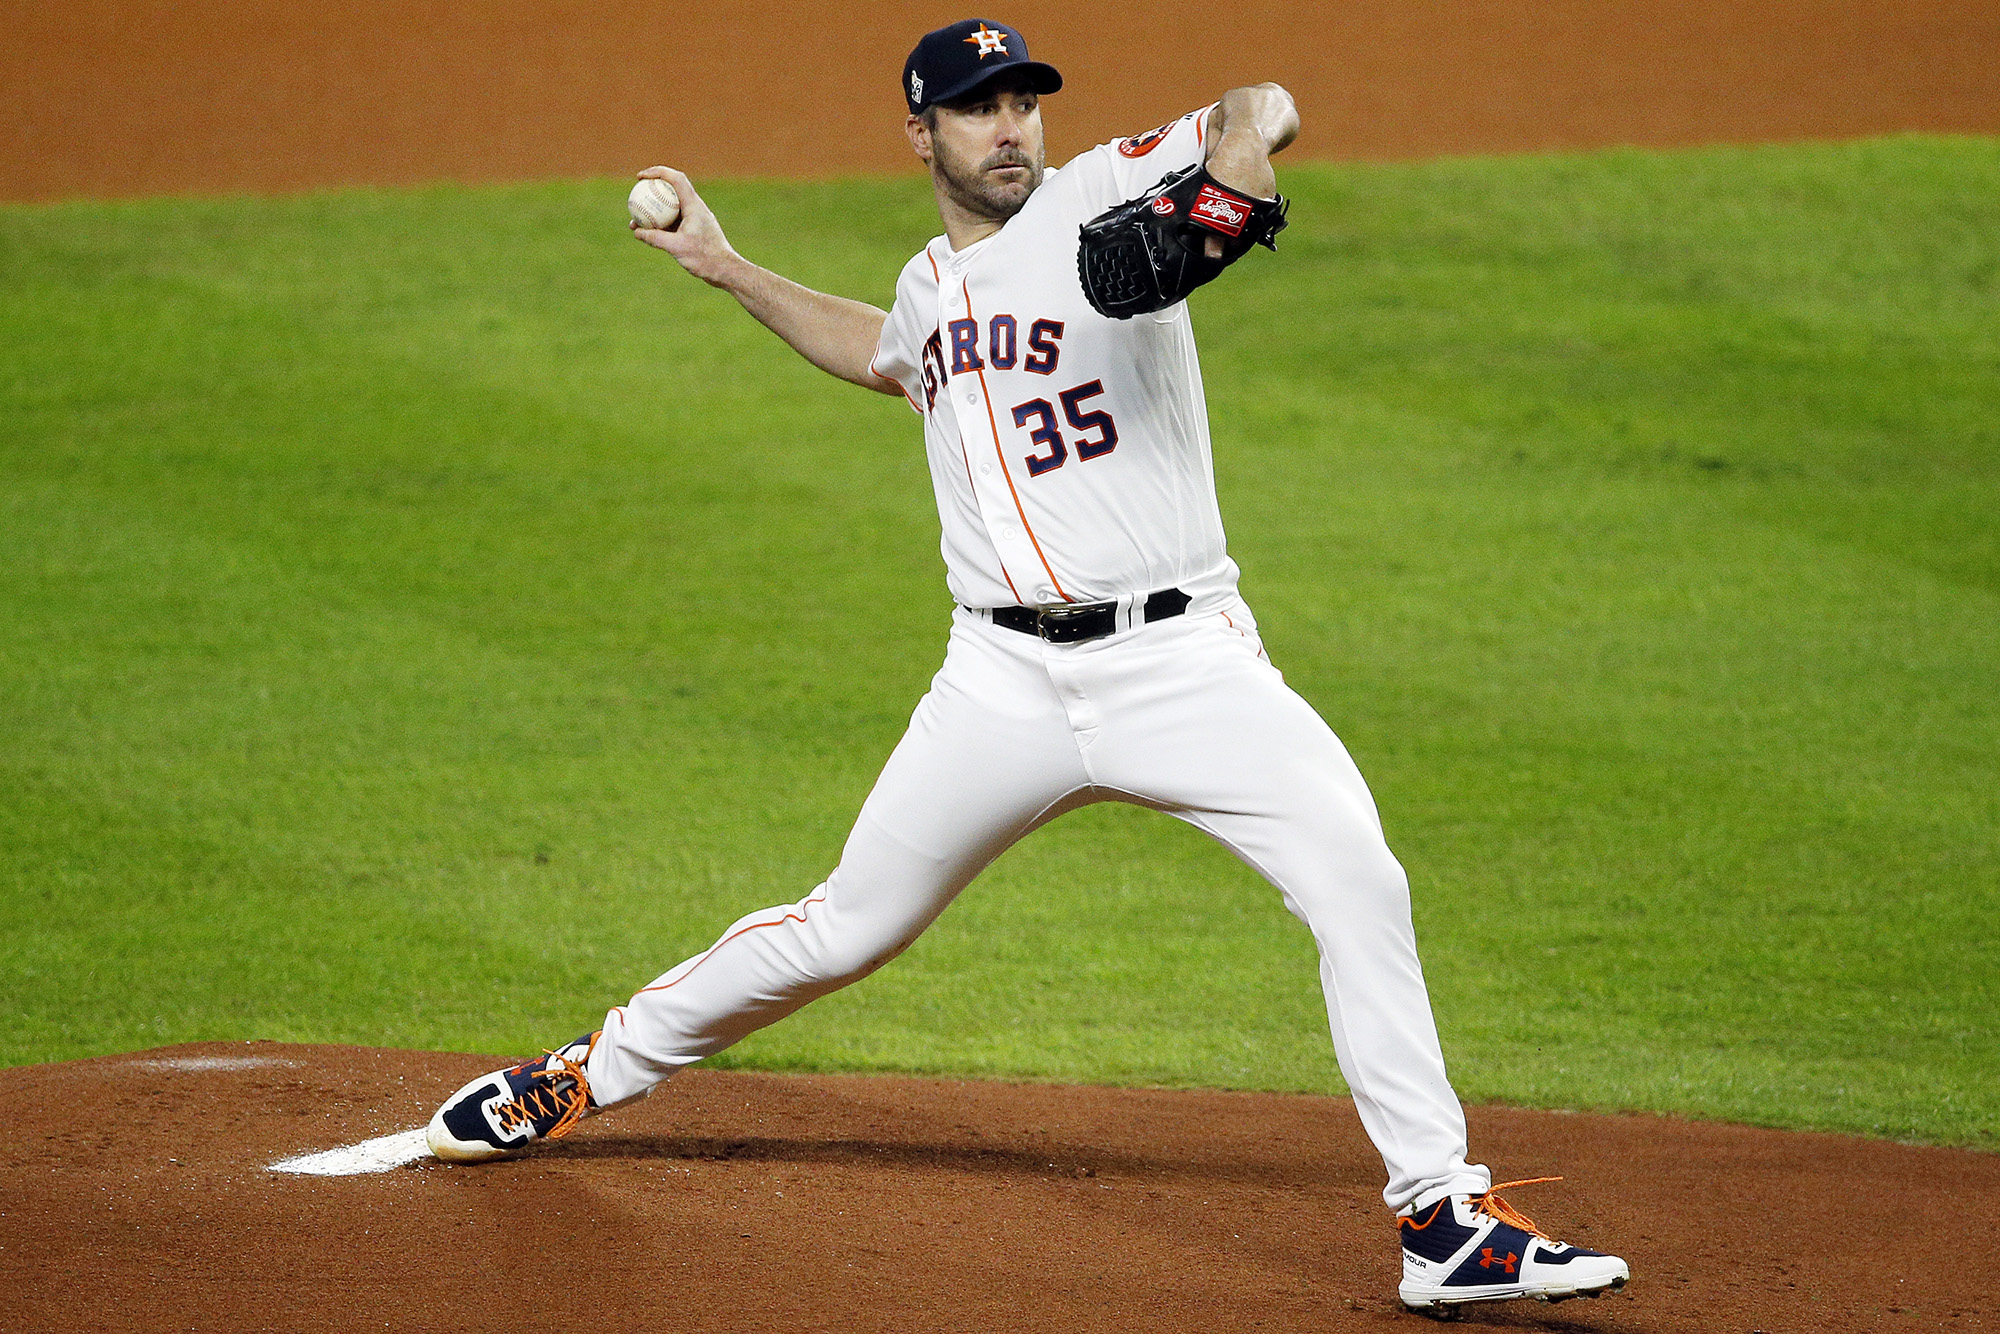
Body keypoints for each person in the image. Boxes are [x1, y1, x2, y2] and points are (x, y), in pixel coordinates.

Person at [425, 18, 1630, 1315]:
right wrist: (726, 268)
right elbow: (881, 352)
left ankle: (1441, 1212)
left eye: (1023, 102)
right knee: (846, 924)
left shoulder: (1107, 187)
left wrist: (1228, 156)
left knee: (1357, 877)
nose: (1011, 127)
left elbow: (1263, 102)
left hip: (1182, 661)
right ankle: (586, 1069)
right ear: (921, 133)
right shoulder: (929, 287)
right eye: (979, 107)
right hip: (998, 685)